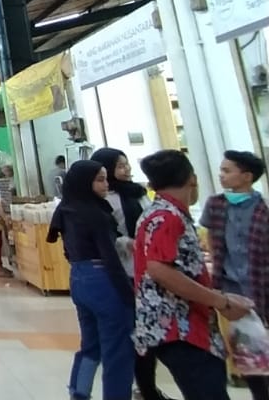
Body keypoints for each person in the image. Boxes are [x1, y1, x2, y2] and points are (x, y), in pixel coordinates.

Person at [134, 149, 253, 400]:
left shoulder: (164, 213)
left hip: (187, 324)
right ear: (192, 179)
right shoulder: (167, 217)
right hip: (181, 329)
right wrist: (220, 300)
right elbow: (158, 269)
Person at [48, 160, 136, 400]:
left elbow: (67, 249)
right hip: (103, 281)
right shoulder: (94, 212)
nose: (105, 184)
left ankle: (79, 393)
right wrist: (129, 294)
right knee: (118, 351)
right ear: (84, 182)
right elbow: (109, 257)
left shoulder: (67, 209)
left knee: (90, 346)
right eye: (100, 179)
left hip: (79, 278)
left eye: (106, 179)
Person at [89, 148, 165, 400]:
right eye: (121, 165)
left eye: (126, 164)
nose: (127, 169)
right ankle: (141, 387)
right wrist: (125, 243)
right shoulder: (102, 201)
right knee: (130, 334)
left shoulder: (139, 193)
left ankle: (146, 387)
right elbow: (105, 237)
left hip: (150, 270)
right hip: (123, 272)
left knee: (148, 333)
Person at [200, 150, 269, 400]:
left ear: (247, 177)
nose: (221, 175)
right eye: (222, 170)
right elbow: (210, 242)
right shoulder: (216, 205)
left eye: (227, 171)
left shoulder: (262, 210)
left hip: (259, 285)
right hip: (231, 290)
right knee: (247, 349)